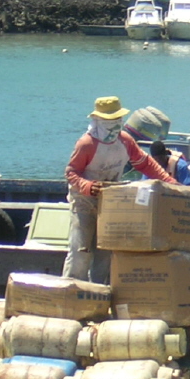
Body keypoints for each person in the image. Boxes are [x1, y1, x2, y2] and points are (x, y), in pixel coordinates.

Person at [63, 96, 178, 283]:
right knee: (80, 250)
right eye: (109, 121)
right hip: (84, 201)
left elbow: (145, 163)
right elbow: (71, 172)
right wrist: (87, 186)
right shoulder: (86, 144)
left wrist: (169, 181)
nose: (114, 125)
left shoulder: (125, 141)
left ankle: (99, 293)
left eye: (117, 120)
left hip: (110, 201)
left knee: (105, 251)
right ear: (98, 120)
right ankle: (71, 290)